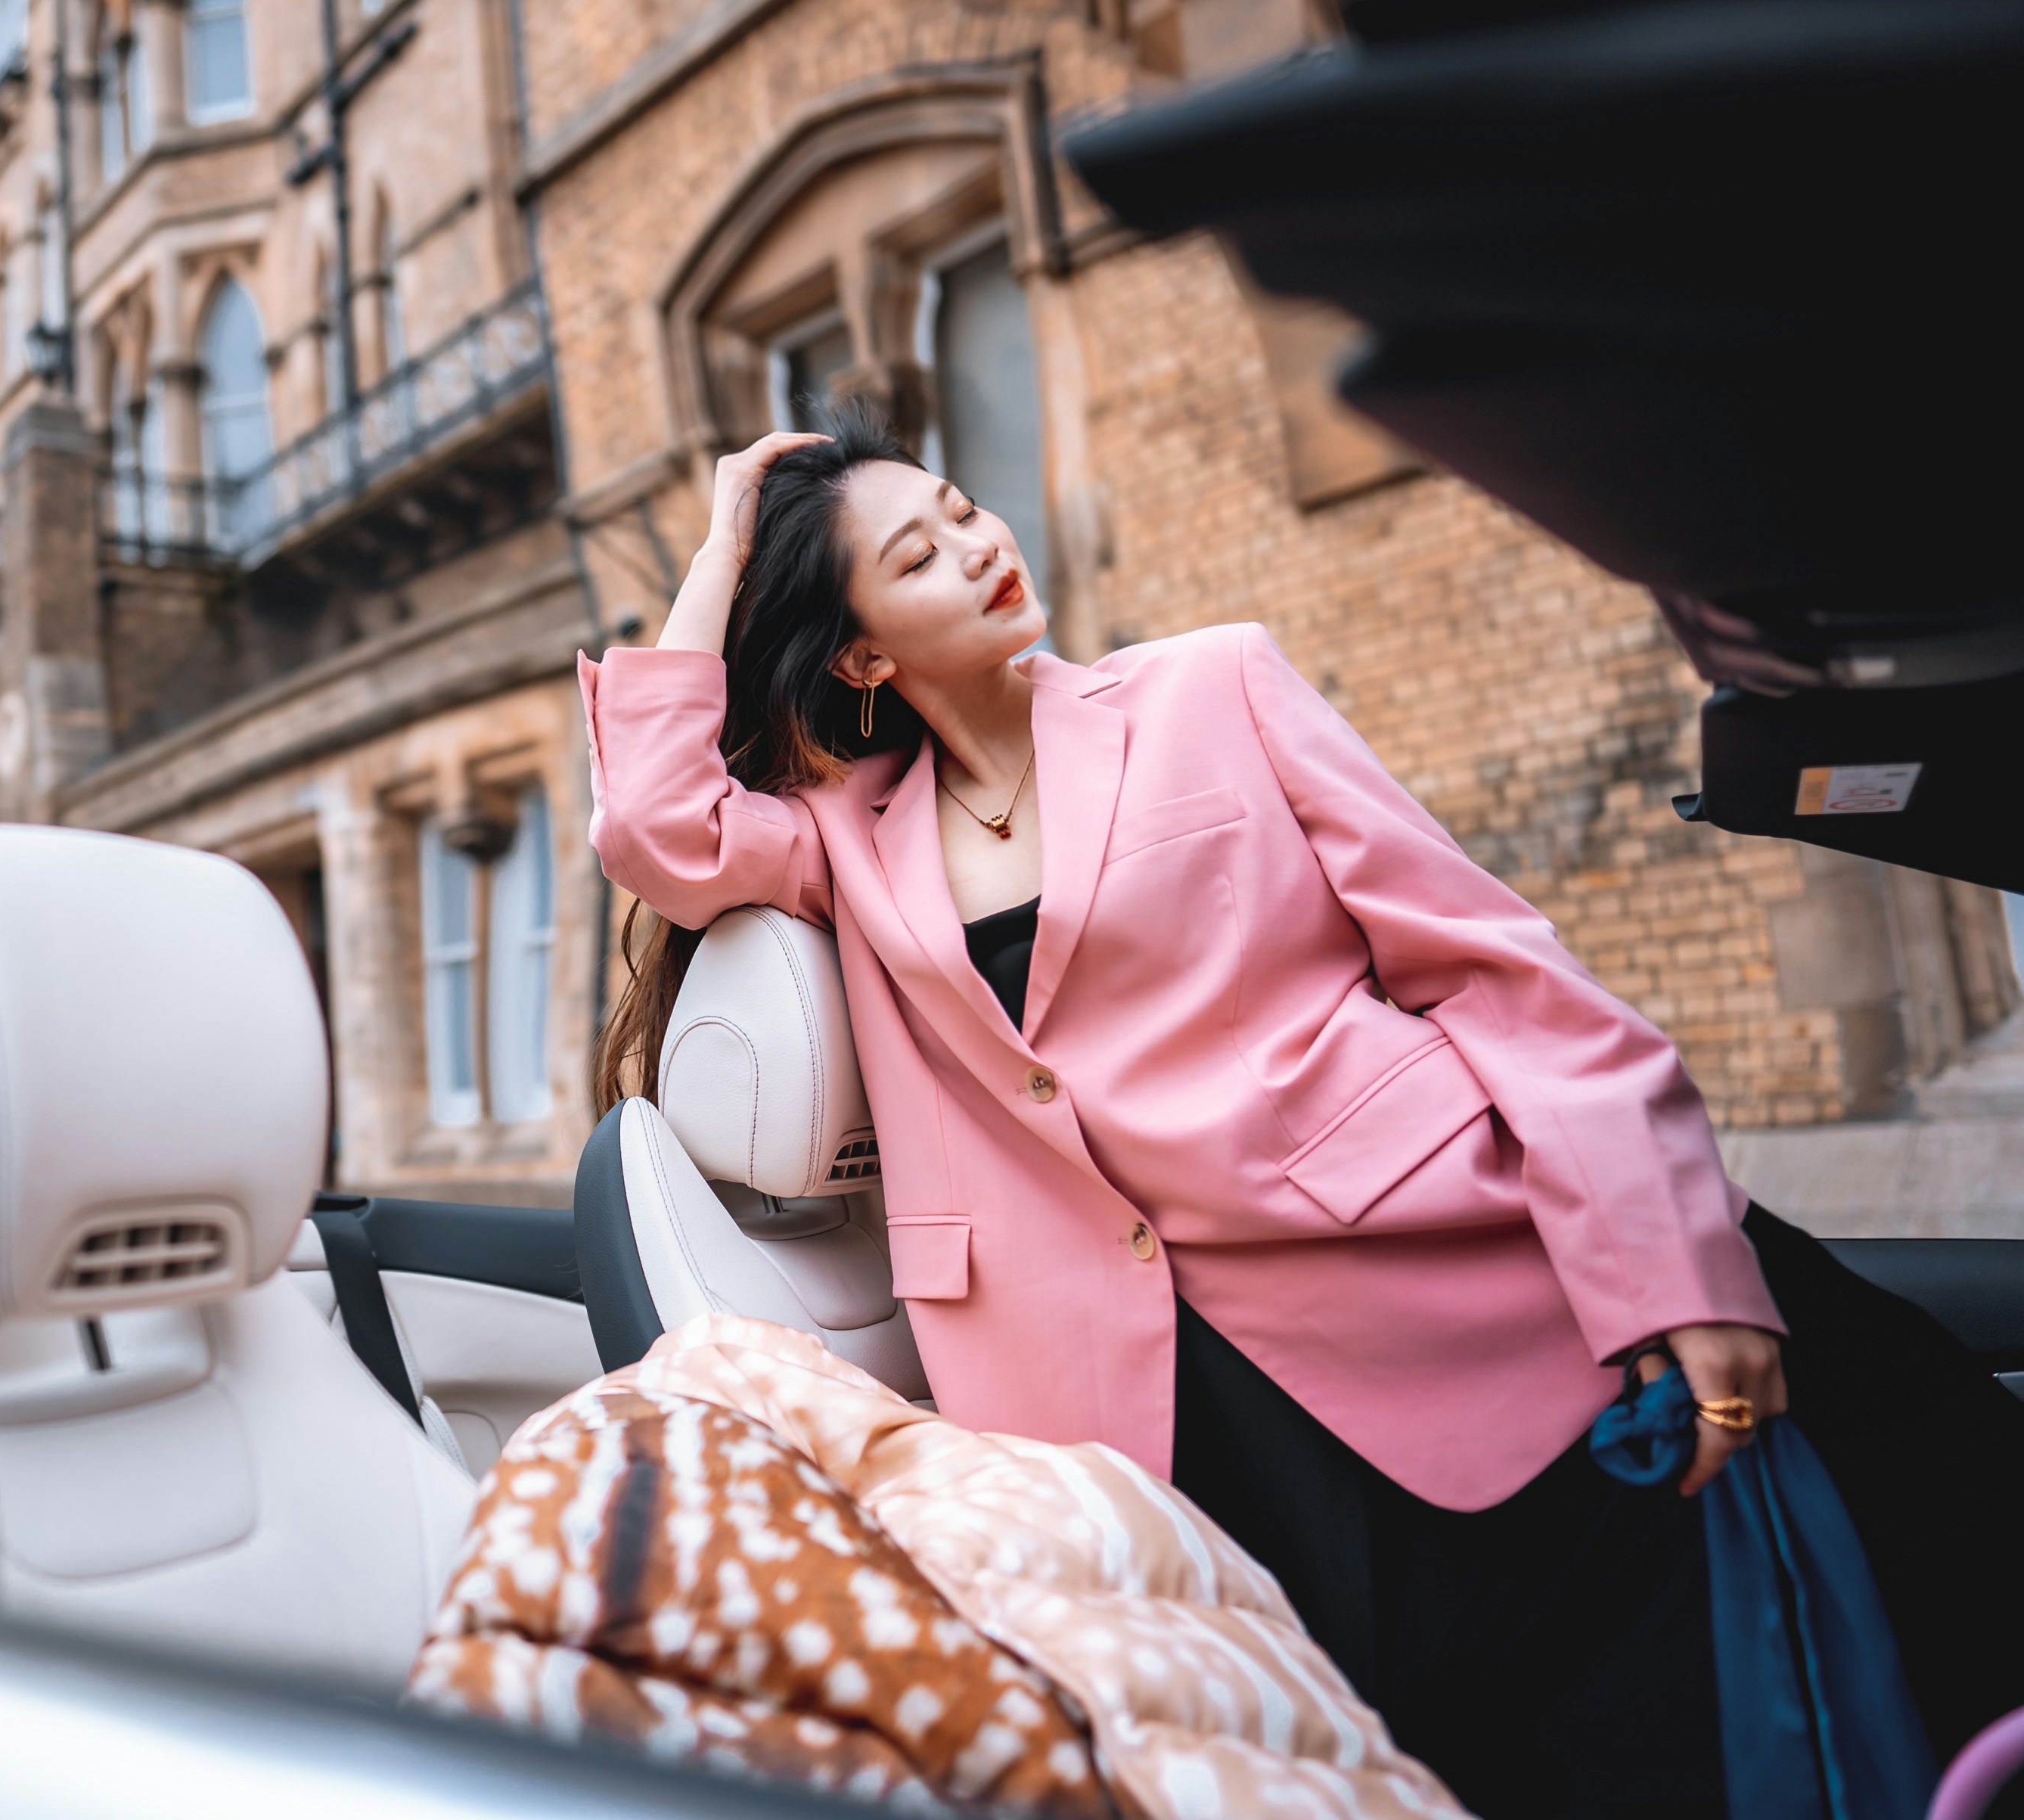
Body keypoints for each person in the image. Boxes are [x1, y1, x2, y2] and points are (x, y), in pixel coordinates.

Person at [583, 407, 2024, 1818]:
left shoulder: (1216, 689)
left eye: (965, 509)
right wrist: (719, 546)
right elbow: (654, 826)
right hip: (1132, 1404)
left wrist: (1672, 1263)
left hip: (1428, 1283)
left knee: (1658, 1717)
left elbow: (1500, 979)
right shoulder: (850, 836)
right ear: (863, 652)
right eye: (916, 555)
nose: (976, 546)